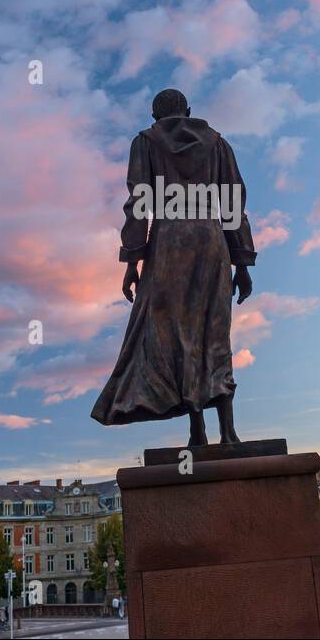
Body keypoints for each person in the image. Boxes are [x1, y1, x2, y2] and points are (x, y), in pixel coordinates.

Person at [91, 88, 257, 446]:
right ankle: (228, 433)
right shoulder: (217, 144)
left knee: (176, 337)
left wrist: (132, 259)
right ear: (188, 111)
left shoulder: (146, 142)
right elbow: (233, 203)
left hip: (168, 244)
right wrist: (242, 261)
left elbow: (138, 202)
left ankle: (197, 433)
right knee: (213, 333)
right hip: (210, 241)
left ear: (155, 117)